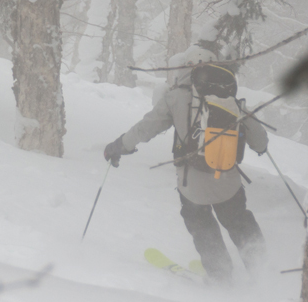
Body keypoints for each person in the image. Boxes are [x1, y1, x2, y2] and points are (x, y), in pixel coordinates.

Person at [104, 46, 268, 283]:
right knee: (239, 221)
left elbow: (145, 128)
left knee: (202, 227)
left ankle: (221, 276)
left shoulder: (175, 98)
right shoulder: (229, 96)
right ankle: (263, 272)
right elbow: (260, 142)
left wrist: (119, 146)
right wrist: (259, 147)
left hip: (191, 185)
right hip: (228, 181)